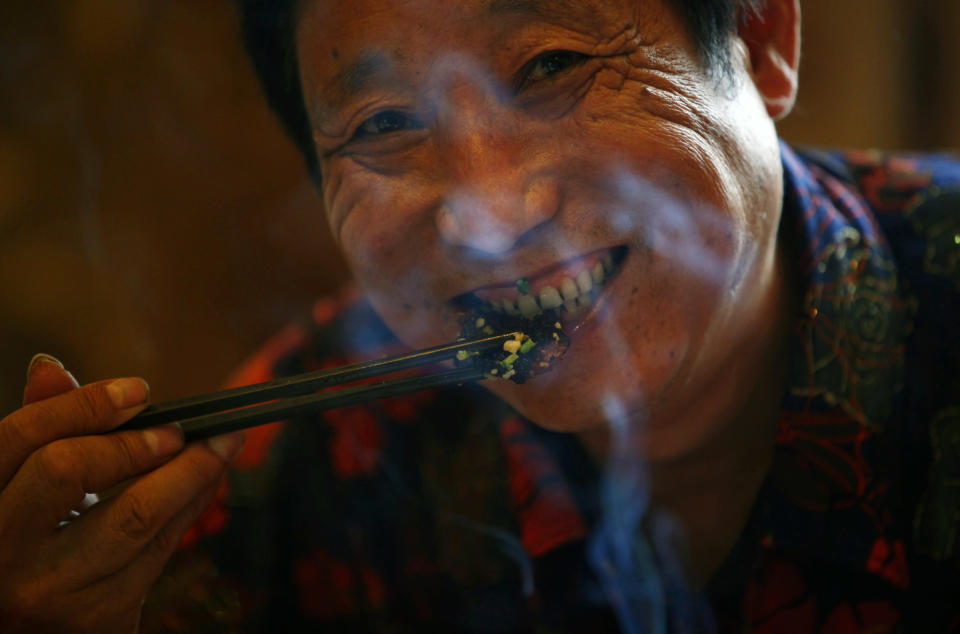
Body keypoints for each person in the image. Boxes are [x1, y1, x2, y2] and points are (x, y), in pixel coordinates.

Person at [1, 0, 958, 631]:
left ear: (758, 41)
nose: (491, 218)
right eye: (382, 124)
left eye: (552, 65)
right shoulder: (300, 473)